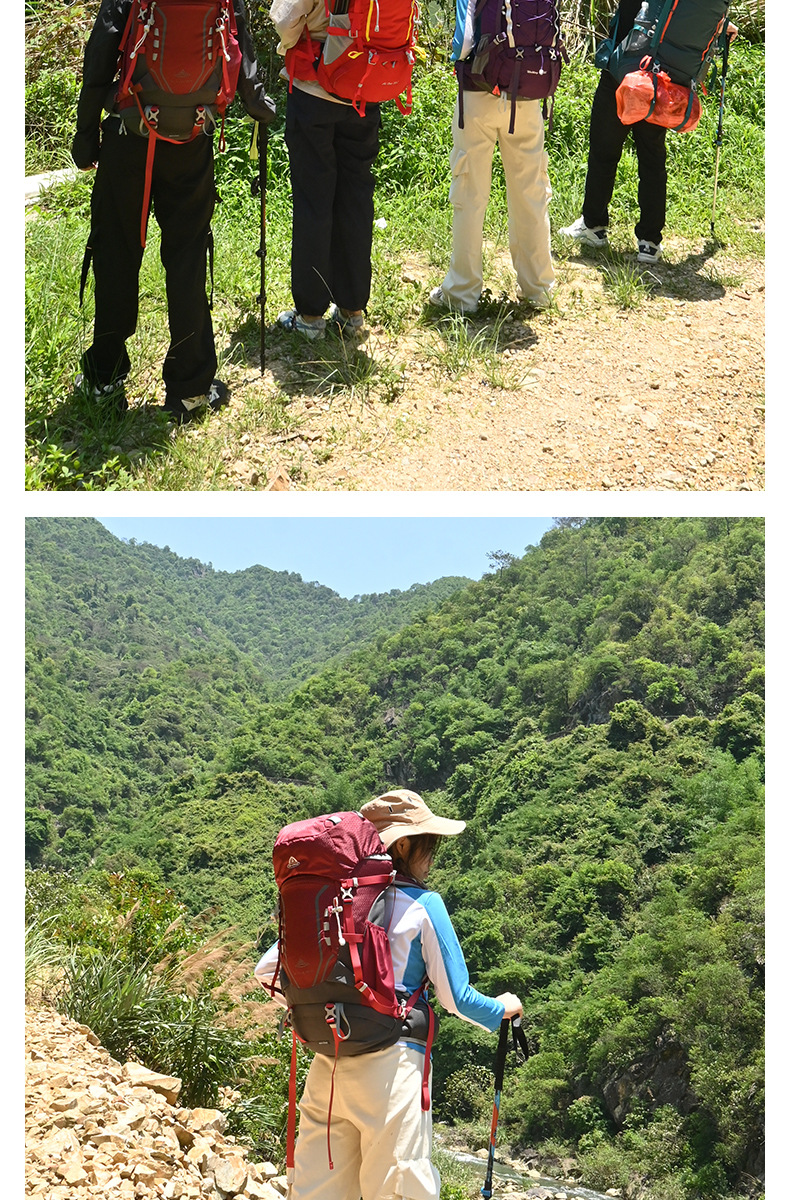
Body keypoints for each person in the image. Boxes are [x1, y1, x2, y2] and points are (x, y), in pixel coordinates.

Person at [254, 788, 523, 1200]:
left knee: (318, 1193)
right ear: (403, 845)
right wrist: (501, 1008)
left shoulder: (330, 907)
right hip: (391, 1067)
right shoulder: (423, 904)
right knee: (398, 1189)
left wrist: (329, 1005)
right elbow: (456, 998)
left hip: (328, 1065)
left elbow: (267, 971)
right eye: (428, 844)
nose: (432, 857)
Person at [71, 0, 276, 420]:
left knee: (117, 252)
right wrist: (257, 103)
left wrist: (86, 134)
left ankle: (104, 379)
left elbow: (101, 54)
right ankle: (191, 388)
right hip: (191, 137)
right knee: (187, 255)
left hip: (129, 135)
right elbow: (242, 46)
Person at [560, 0, 737, 265]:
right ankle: (649, 242)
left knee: (604, 151)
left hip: (622, 72)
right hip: (661, 81)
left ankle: (593, 226)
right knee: (652, 159)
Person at [428, 0, 557, 316]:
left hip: (478, 93)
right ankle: (539, 288)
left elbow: (464, 42)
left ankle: (462, 293)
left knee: (469, 193)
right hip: (527, 91)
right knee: (531, 192)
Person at [268, 0, 384, 341]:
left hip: (315, 89)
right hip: (365, 90)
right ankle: (352, 311)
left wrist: (292, 42)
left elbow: (285, 21)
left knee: (313, 199)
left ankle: (310, 315)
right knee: (356, 197)